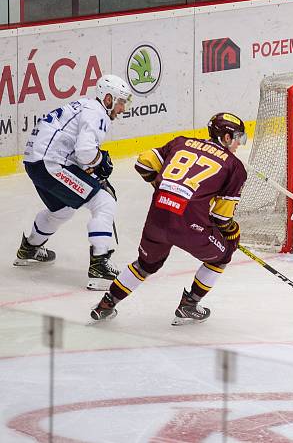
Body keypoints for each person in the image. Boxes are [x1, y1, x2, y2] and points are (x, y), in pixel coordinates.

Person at [90, 113, 248, 324]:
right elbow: (221, 217)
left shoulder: (181, 142)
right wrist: (232, 233)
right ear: (226, 137)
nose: (239, 143)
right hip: (190, 228)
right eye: (237, 137)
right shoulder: (234, 166)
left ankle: (105, 305)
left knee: (145, 265)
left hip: (157, 218)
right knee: (222, 255)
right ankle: (189, 305)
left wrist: (164, 189)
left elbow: (143, 164)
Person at [14, 74, 132, 290]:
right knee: (104, 202)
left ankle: (29, 248)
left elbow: (78, 153)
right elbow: (86, 152)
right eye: (121, 101)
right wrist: (99, 163)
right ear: (108, 98)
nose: (122, 108)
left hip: (36, 162)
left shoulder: (84, 105)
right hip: (51, 164)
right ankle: (99, 266)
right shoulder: (97, 114)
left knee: (62, 209)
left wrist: (95, 170)